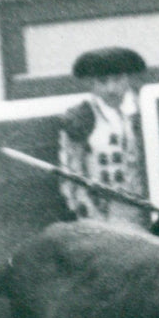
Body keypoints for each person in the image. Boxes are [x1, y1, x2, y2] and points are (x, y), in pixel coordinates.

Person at [58, 47, 150, 228]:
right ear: (91, 83)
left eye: (117, 79)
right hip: (103, 214)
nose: (111, 88)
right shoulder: (81, 117)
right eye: (103, 81)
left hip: (147, 210)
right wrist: (89, 218)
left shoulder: (146, 110)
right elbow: (71, 175)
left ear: (128, 79)